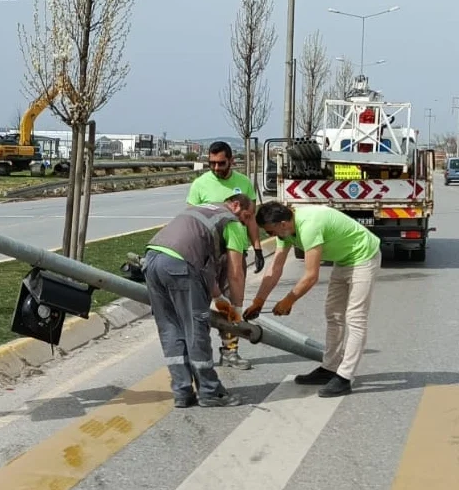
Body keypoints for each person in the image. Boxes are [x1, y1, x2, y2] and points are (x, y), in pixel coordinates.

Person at [245, 202, 382, 398]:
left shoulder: (309, 226)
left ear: (282, 224)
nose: (271, 235)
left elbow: (310, 276)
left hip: (364, 257)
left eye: (271, 231)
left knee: (355, 318)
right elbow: (276, 267)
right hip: (344, 260)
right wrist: (259, 301)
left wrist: (288, 300)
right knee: (333, 315)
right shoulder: (285, 231)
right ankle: (330, 368)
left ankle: (345, 377)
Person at [142, 193, 255, 408]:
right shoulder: (231, 222)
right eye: (247, 216)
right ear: (236, 206)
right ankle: (210, 391)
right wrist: (237, 310)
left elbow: (204, 264)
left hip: (152, 260)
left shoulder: (202, 211)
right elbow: (235, 274)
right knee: (196, 329)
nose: (246, 222)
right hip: (181, 266)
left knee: (170, 328)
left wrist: (218, 298)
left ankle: (182, 392)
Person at [187, 140, 265, 370]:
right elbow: (191, 219)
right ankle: (200, 353)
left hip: (234, 251)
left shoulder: (244, 183)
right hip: (207, 254)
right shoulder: (200, 185)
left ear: (231, 160)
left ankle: (230, 351)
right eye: (211, 163)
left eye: (221, 163)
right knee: (201, 302)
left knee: (232, 300)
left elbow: (250, 219)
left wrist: (257, 248)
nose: (216, 168)